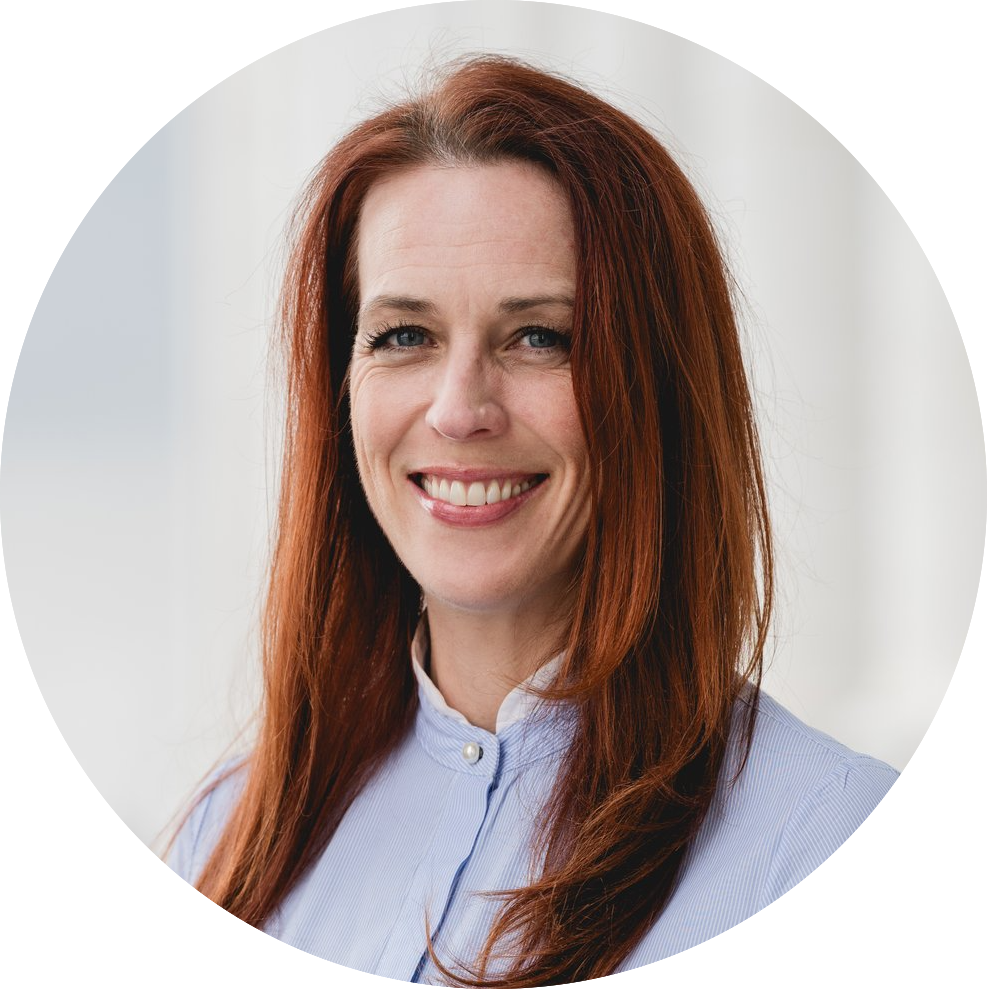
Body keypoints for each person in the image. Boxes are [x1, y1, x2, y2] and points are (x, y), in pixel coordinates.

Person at [164, 54, 901, 988]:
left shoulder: (845, 854)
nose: (459, 407)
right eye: (404, 336)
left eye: (540, 337)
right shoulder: (228, 844)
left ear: (661, 386)